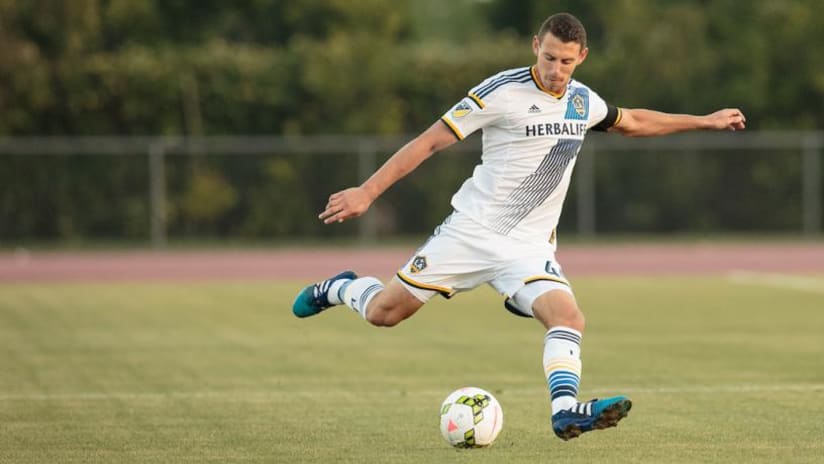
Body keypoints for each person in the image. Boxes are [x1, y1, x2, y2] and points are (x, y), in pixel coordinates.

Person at [292, 12, 746, 441]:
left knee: (568, 317)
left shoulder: (584, 100)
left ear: (582, 57)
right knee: (384, 314)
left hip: (528, 247)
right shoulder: (500, 91)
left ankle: (565, 410)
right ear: (536, 47)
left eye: (566, 60)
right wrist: (367, 192)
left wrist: (704, 121)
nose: (555, 68)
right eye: (548, 57)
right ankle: (341, 288)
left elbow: (634, 122)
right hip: (471, 232)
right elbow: (430, 141)